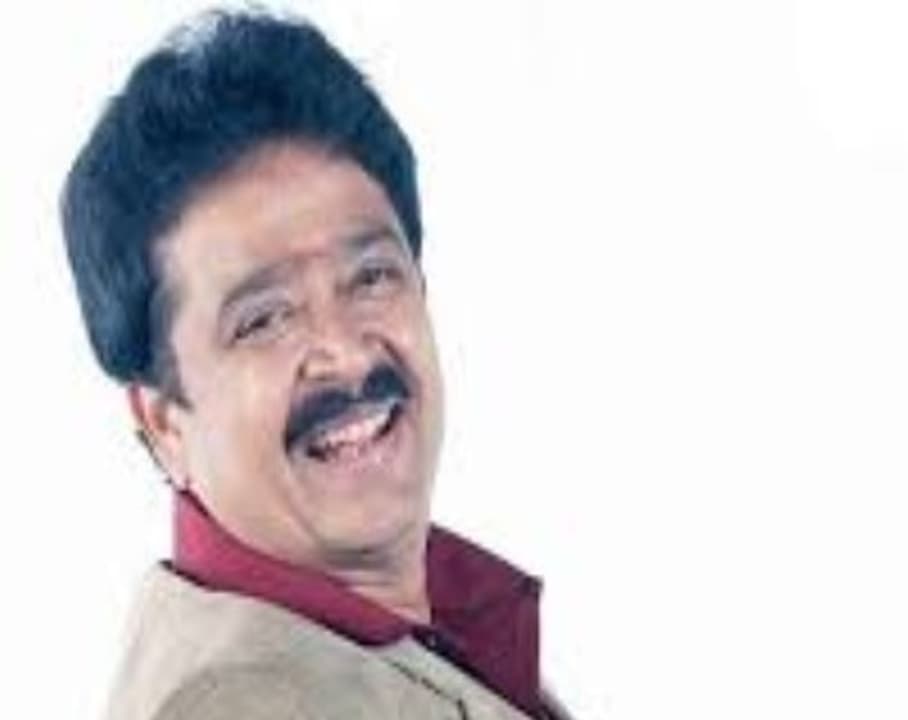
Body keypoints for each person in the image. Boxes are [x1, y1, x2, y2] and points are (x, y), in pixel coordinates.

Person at [61, 8, 570, 720]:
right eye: (263, 320)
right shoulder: (240, 706)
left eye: (371, 277)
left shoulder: (395, 641)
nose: (345, 351)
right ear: (164, 422)